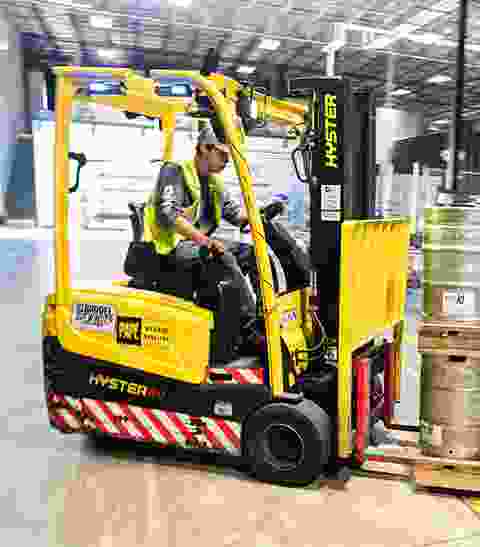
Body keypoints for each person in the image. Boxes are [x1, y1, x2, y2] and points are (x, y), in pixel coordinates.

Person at [143, 125, 263, 348]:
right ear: (203, 148)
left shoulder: (214, 183)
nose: (227, 160)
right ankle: (249, 330)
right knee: (224, 257)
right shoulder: (175, 171)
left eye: (229, 155)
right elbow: (168, 214)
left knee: (253, 254)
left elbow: (235, 215)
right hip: (168, 249)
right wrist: (206, 242)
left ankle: (265, 318)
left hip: (196, 247)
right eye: (222, 154)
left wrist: (259, 216)